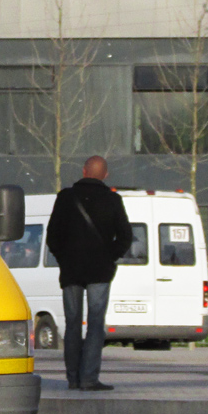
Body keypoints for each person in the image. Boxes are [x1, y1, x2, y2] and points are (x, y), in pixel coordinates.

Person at [45, 155, 133, 391]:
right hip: (100, 271)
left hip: (71, 270)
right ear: (105, 174)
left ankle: (72, 378)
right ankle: (89, 378)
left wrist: (64, 258)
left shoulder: (65, 198)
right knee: (95, 324)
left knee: (72, 324)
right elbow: (126, 236)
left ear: (84, 171)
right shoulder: (112, 200)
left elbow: (52, 236)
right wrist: (109, 256)